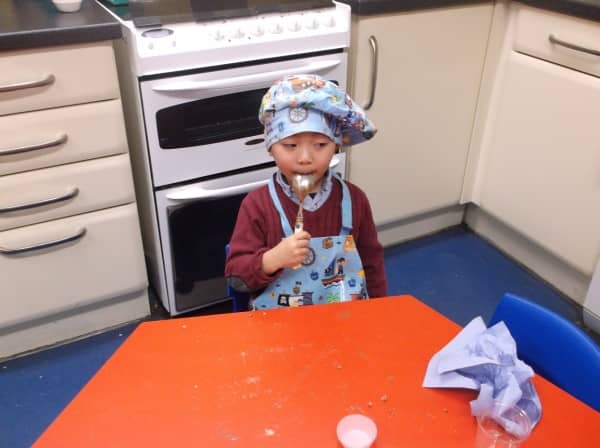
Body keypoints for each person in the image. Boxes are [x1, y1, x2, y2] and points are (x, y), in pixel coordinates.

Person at [225, 74, 387, 310]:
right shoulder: (257, 205)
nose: (304, 158)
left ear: (336, 145)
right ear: (270, 147)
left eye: (320, 145)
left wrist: (379, 311)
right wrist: (271, 260)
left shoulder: (355, 200)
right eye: (290, 145)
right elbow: (236, 278)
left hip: (343, 319)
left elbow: (372, 266)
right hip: (277, 324)